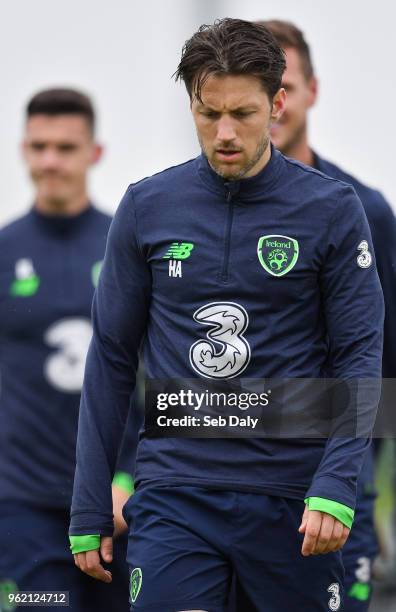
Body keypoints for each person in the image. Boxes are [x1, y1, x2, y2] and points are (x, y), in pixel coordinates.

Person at [69, 19, 384, 612]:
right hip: (175, 495)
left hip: (294, 500)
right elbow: (110, 358)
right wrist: (89, 500)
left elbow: (360, 355)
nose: (224, 133)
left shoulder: (335, 211)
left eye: (242, 113)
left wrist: (338, 484)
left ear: (278, 103)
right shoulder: (145, 208)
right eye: (207, 113)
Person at [258, 20, 396, 611]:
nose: (275, 103)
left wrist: (361, 471)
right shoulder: (185, 210)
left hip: (337, 493)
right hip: (225, 487)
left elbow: (386, 356)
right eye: (261, 87)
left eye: (286, 85)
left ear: (313, 90)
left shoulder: (365, 211)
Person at [0, 88, 133, 612]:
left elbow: (158, 374)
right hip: (25, 503)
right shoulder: (4, 253)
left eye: (65, 147)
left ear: (93, 153)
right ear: (23, 150)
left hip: (116, 502)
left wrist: (130, 478)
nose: (50, 160)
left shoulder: (124, 245)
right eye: (39, 147)